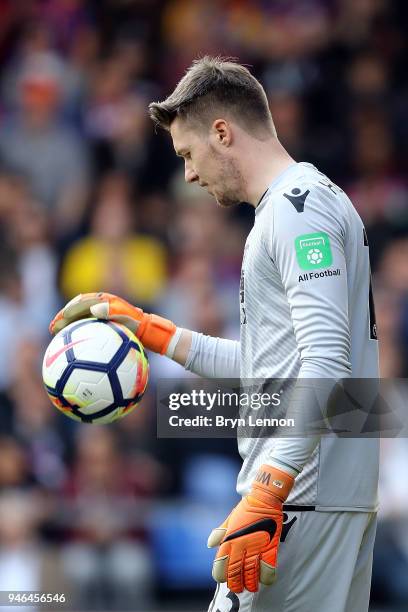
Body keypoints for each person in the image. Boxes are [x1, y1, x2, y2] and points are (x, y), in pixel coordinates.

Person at [50, 57, 379, 612]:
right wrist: (153, 331)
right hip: (321, 493)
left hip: (298, 496)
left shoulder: (297, 209)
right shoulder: (298, 203)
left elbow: (327, 358)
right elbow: (273, 366)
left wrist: (271, 487)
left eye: (187, 154)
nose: (189, 175)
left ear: (222, 132)